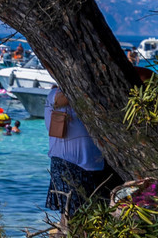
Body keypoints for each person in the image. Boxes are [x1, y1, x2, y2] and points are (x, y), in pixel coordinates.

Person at [44, 88, 111, 228]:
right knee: (71, 216)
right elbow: (60, 100)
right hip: (67, 162)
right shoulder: (56, 94)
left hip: (94, 164)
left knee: (89, 215)